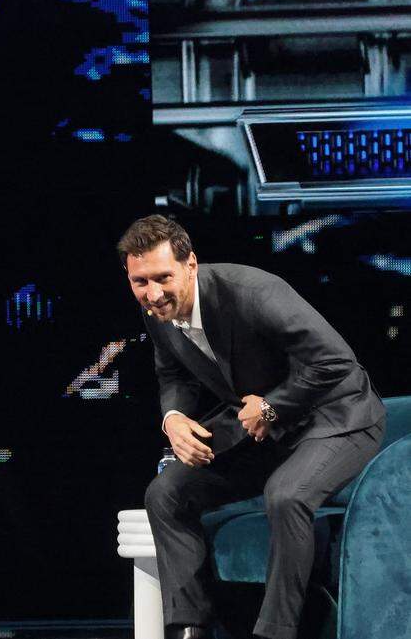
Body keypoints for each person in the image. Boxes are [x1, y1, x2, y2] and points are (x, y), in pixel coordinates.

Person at [118, 215, 385, 639]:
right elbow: (175, 375)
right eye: (139, 282)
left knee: (285, 494)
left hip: (336, 417)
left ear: (191, 265)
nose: (152, 294)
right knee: (166, 493)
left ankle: (274, 632)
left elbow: (337, 363)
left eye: (162, 278)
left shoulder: (253, 293)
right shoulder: (156, 313)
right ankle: (190, 627)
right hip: (262, 428)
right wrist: (174, 419)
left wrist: (273, 407)